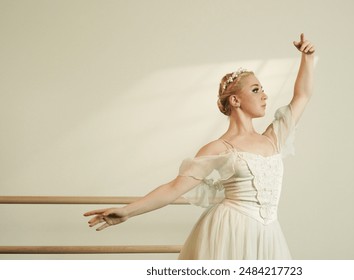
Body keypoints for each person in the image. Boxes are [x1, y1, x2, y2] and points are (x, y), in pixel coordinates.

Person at [84, 33, 315, 260]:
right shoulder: (217, 148)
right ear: (235, 100)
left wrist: (308, 58)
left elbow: (302, 95)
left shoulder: (273, 138)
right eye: (256, 90)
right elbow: (174, 188)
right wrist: (127, 211)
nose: (265, 95)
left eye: (263, 89)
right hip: (230, 232)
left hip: (268, 234)